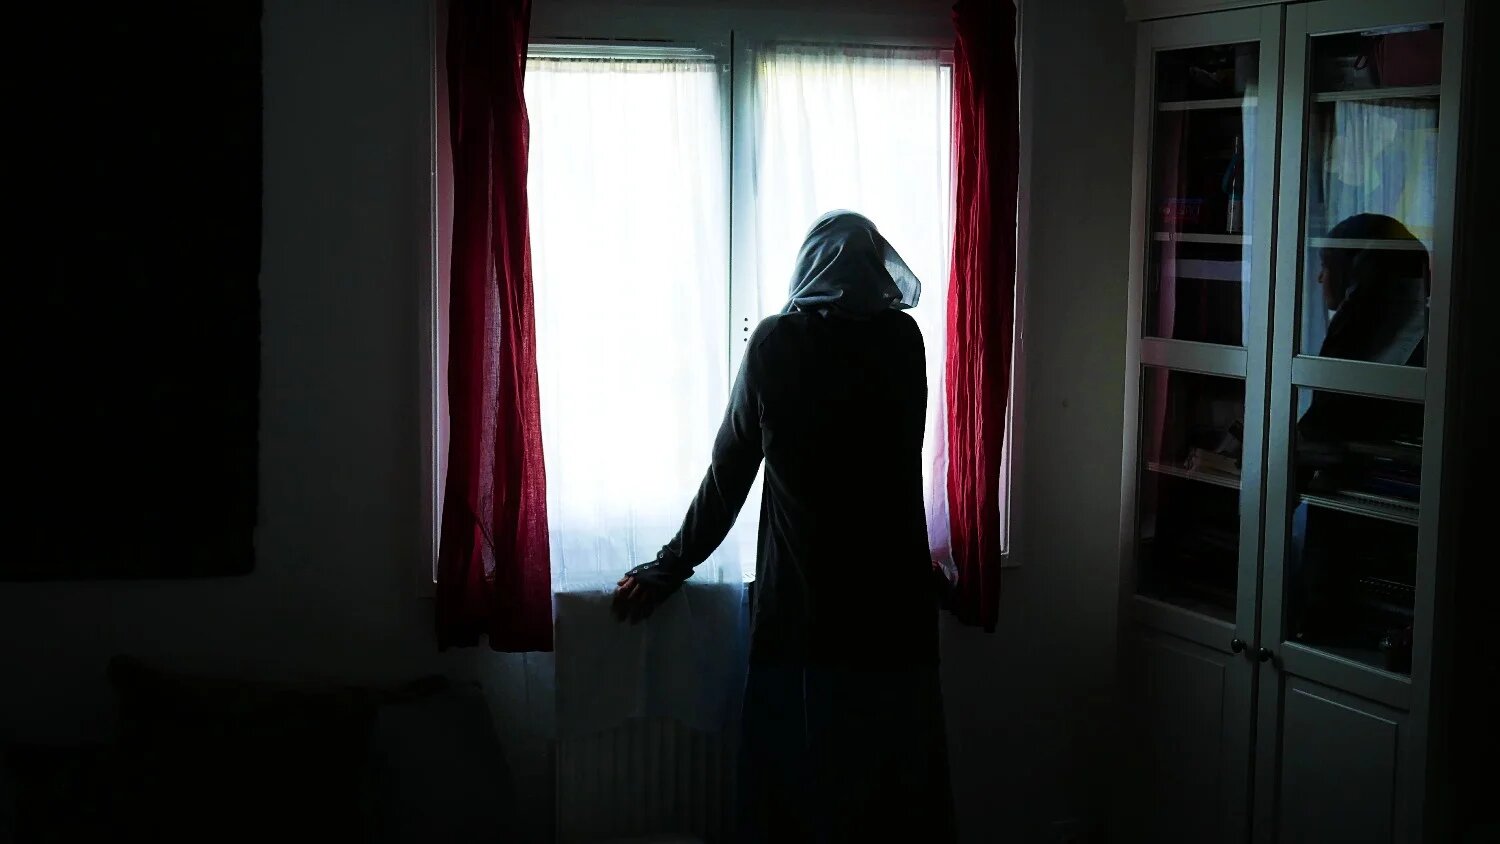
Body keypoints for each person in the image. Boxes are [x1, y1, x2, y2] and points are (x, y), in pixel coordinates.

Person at [612, 211, 955, 843]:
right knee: (892, 798)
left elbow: (728, 476)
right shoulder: (903, 343)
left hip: (808, 614)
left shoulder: (777, 345)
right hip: (896, 613)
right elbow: (891, 477)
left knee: (801, 796)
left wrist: (669, 565)